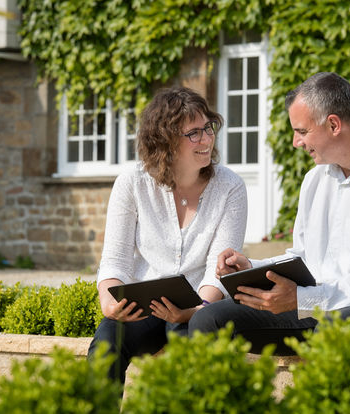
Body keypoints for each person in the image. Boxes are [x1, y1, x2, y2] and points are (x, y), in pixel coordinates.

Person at [188, 72, 350, 354]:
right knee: (209, 320)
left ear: (333, 124)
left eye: (302, 131)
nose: (296, 142)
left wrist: (301, 299)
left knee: (333, 330)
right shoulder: (316, 179)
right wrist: (252, 268)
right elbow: (303, 258)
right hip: (319, 304)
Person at [88, 86, 247, 384]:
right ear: (166, 142)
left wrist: (198, 309)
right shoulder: (131, 183)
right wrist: (108, 299)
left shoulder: (230, 187)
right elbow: (115, 260)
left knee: (188, 347)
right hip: (144, 307)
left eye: (208, 128)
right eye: (194, 133)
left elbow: (218, 270)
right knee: (107, 343)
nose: (206, 139)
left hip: (199, 307)